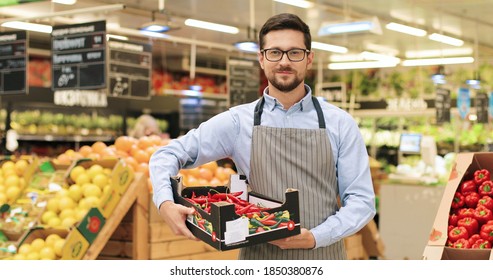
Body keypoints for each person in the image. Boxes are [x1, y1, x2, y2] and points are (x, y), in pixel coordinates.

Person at [149, 13, 376, 260]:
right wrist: (165, 204)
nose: (284, 61)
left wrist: (315, 237)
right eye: (275, 52)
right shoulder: (238, 122)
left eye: (295, 52)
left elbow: (362, 201)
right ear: (261, 58)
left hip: (323, 258)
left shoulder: (340, 123)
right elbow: (166, 155)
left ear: (309, 59)